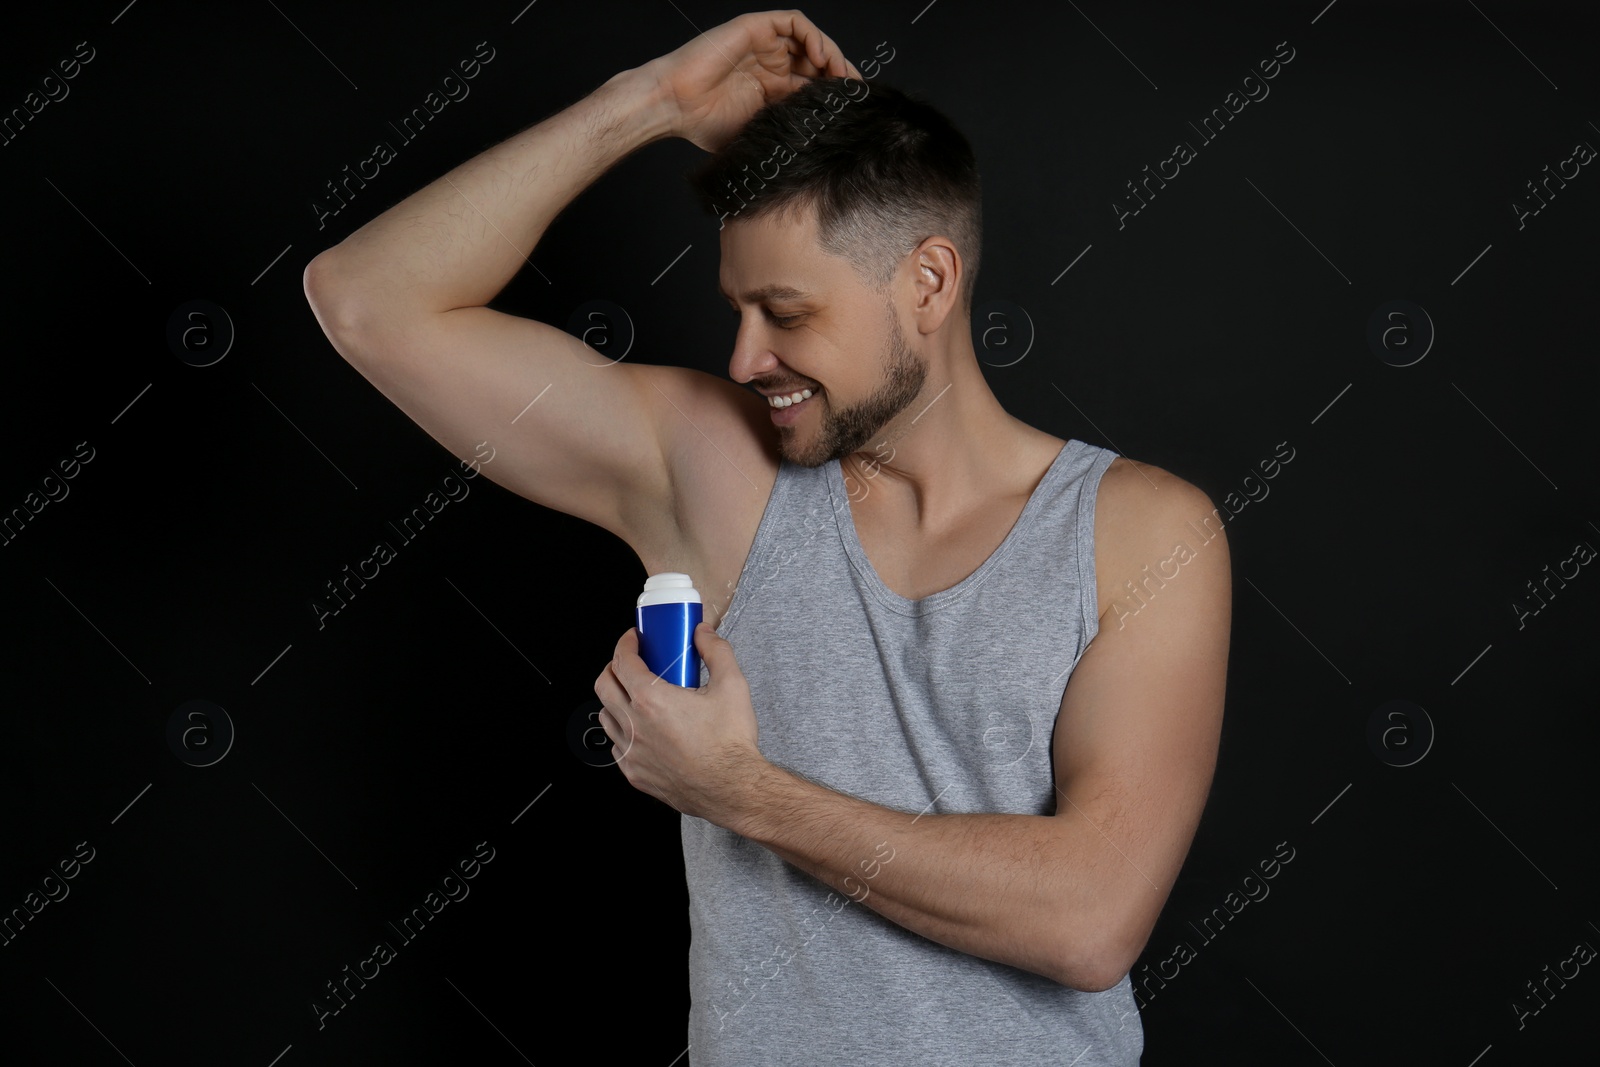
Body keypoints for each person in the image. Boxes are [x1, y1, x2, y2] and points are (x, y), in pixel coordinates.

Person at [303, 11, 1229, 1064]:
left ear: (927, 283)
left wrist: (736, 788)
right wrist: (645, 103)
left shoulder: (1138, 530)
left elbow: (1087, 917)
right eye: (736, 309)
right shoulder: (715, 472)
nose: (746, 357)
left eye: (785, 311)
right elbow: (365, 300)